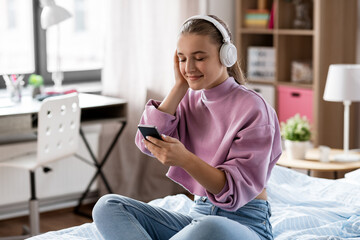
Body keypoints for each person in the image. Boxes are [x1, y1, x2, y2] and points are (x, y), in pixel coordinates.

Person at [92, 14, 282, 240]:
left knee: (211, 227)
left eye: (199, 58)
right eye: (182, 58)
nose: (189, 67)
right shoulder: (188, 98)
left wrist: (185, 159)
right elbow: (146, 143)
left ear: (226, 56)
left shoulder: (254, 109)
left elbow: (232, 193)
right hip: (198, 218)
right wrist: (180, 86)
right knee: (107, 206)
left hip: (246, 224)